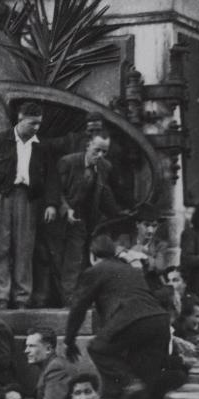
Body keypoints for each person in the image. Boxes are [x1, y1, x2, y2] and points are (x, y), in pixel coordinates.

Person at [65, 234, 170, 399]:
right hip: (160, 320)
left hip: (133, 318)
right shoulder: (131, 270)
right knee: (144, 382)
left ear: (92, 256)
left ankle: (130, 383)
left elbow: (78, 307)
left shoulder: (95, 271)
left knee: (98, 348)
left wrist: (69, 341)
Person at [0, 100, 57, 308]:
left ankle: (22, 297)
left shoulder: (41, 147)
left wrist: (51, 204)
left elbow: (51, 177)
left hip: (28, 199)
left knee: (24, 248)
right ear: (20, 120)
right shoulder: (0, 141)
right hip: (0, 197)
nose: (36, 128)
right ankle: (1, 297)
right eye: (33, 124)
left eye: (39, 124)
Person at [50, 126, 121, 302]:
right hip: (58, 221)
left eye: (104, 152)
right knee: (56, 260)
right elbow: (55, 191)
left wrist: (119, 214)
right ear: (88, 145)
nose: (100, 155)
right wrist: (66, 209)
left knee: (75, 260)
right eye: (97, 150)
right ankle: (58, 298)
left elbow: (105, 194)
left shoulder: (104, 167)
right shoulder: (68, 162)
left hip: (82, 220)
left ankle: (70, 299)